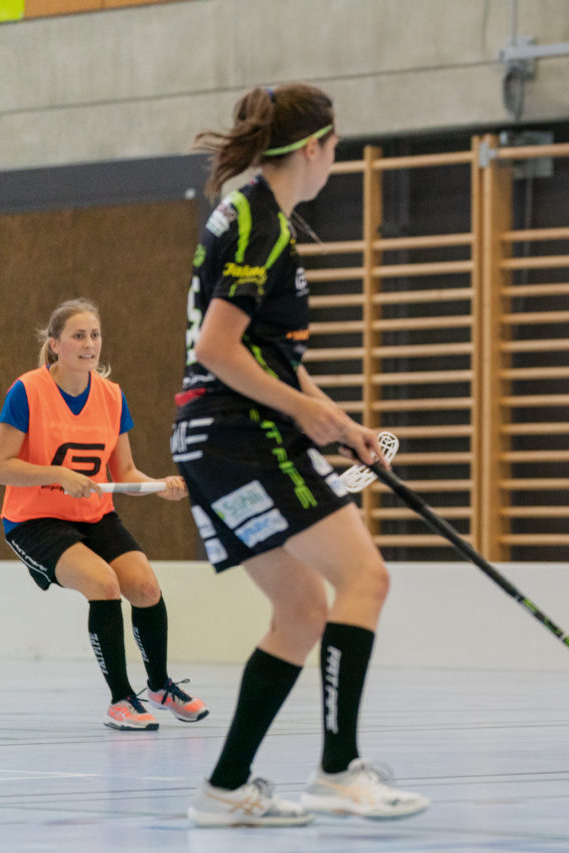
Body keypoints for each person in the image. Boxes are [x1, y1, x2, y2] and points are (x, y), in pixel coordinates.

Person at [176, 83, 428, 827]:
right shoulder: (262, 224)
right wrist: (306, 411)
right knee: (365, 578)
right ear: (312, 147)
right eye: (337, 145)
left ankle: (224, 787)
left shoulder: (250, 211)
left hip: (211, 440)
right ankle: (339, 769)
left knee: (301, 608)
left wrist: (338, 420)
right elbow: (218, 349)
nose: (337, 159)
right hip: (241, 434)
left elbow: (267, 352)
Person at [0, 299, 207, 732]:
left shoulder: (111, 396)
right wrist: (58, 475)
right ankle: (122, 700)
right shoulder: (27, 391)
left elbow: (123, 472)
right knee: (104, 585)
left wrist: (160, 486)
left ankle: (160, 686)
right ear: (55, 346)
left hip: (94, 514)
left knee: (144, 586)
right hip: (34, 521)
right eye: (78, 336)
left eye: (95, 335)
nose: (90, 344)